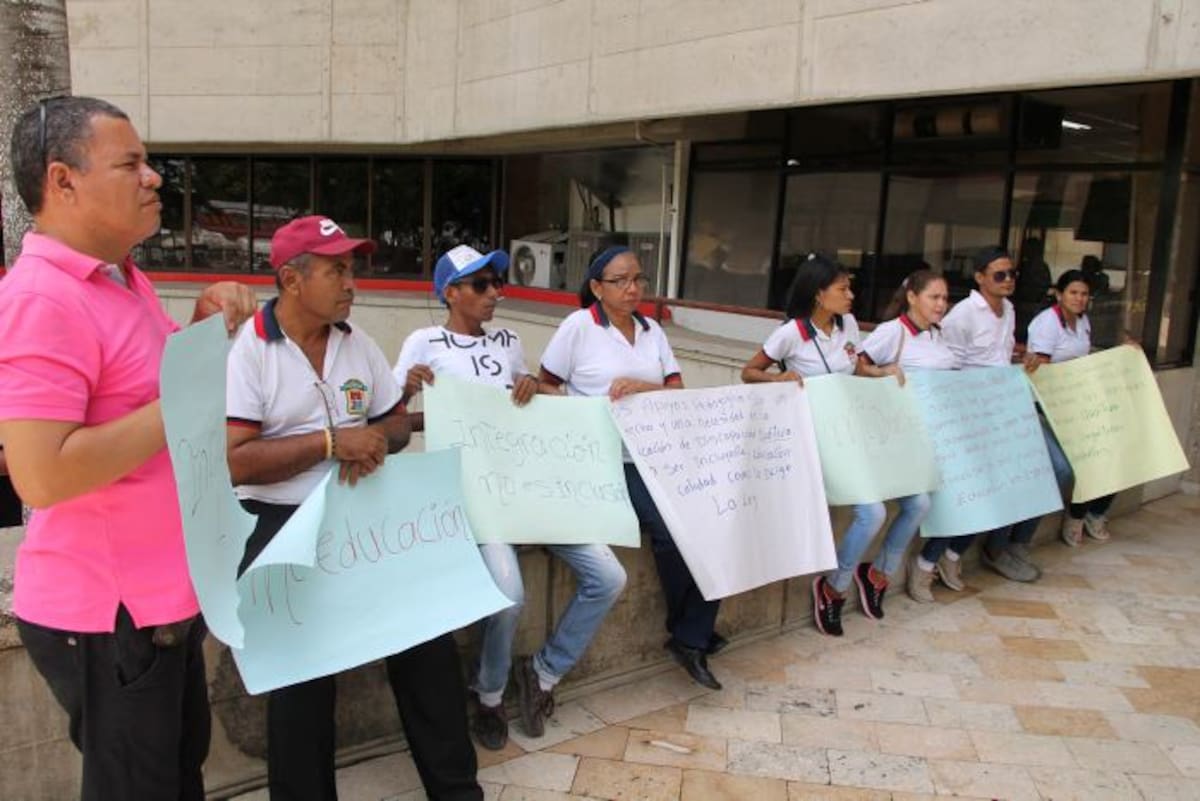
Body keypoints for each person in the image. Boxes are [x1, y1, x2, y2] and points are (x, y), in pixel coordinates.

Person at [0, 96, 256, 801]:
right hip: (109, 616)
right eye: (132, 163)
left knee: (175, 776)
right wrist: (181, 404)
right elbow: (41, 471)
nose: (155, 178)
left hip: (161, 602)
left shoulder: (121, 278)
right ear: (63, 180)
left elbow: (147, 393)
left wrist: (201, 328)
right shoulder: (43, 297)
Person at [225, 216, 481, 801]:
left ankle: (457, 792)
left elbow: (392, 422)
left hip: (362, 513)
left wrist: (377, 441)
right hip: (279, 520)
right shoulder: (250, 351)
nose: (351, 282)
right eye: (337, 269)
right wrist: (330, 443)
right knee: (302, 673)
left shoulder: (356, 341)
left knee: (428, 643)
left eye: (351, 267)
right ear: (292, 279)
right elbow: (236, 461)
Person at [394, 245, 627, 749]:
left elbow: (530, 405)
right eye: (481, 285)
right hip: (473, 495)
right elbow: (388, 422)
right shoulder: (423, 341)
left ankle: (543, 674)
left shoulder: (509, 340)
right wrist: (413, 396)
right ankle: (490, 693)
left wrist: (530, 386)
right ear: (449, 293)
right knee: (508, 595)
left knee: (609, 575)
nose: (495, 293)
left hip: (528, 485)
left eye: (497, 282)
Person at [539, 246, 724, 690]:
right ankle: (690, 635)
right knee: (669, 528)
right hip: (606, 460)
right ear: (597, 287)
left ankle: (690, 630)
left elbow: (677, 390)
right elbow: (546, 383)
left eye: (638, 278)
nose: (632, 288)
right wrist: (580, 417)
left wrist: (643, 388)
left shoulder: (652, 330)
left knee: (711, 517)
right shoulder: (578, 327)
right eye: (620, 280)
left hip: (656, 453)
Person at [742, 254, 932, 633]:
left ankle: (878, 574)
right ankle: (835, 586)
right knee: (872, 513)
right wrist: (780, 380)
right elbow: (749, 372)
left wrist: (882, 371)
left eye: (850, 287)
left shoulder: (847, 326)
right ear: (818, 294)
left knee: (920, 502)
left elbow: (857, 368)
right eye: (842, 288)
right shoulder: (791, 333)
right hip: (819, 440)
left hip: (856, 431)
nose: (851, 295)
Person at [936, 246, 1073, 585]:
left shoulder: (1009, 309)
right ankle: (994, 549)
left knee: (1057, 469)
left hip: (1009, 403)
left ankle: (1015, 543)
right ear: (980, 277)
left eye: (1012, 274)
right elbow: (948, 367)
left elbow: (1000, 354)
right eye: (1000, 274)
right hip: (976, 411)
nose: (1008, 280)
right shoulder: (963, 314)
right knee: (1003, 479)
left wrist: (1021, 360)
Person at [1026, 270, 1117, 546]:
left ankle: (1090, 513)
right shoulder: (1046, 323)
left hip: (1076, 403)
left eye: (1084, 294)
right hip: (1046, 407)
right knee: (1073, 464)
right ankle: (1074, 517)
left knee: (1110, 451)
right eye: (1073, 292)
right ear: (1059, 293)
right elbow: (1040, 370)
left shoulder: (1083, 321)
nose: (1079, 298)